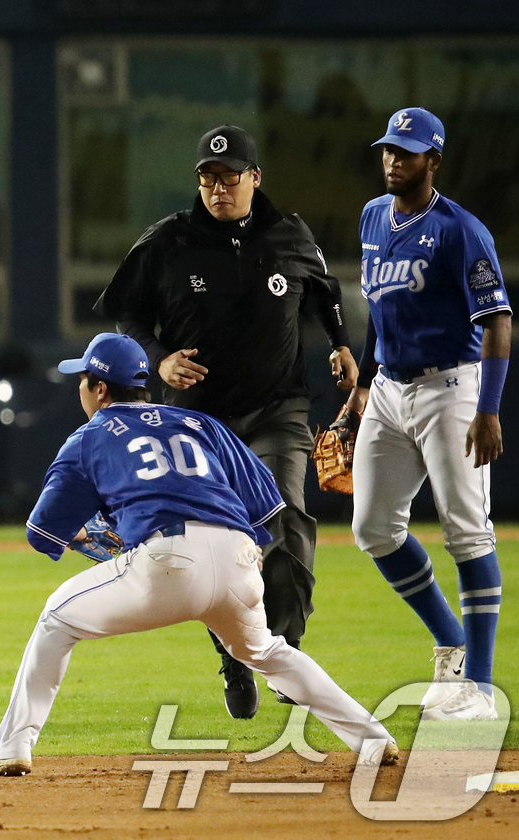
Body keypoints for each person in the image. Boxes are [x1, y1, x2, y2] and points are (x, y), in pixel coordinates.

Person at [0, 333, 397, 776]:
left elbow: (42, 532)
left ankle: (10, 747)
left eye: (84, 380)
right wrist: (249, 552)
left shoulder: (88, 438)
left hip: (166, 562)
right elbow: (268, 507)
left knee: (57, 617)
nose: (81, 389)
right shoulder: (199, 424)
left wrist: (85, 535)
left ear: (101, 389)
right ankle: (373, 739)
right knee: (267, 652)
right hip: (239, 558)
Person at [95, 125, 356, 719]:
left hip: (278, 408)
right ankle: (236, 655)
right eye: (208, 178)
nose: (219, 188)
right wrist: (157, 357)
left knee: (284, 523)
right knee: (215, 547)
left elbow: (324, 290)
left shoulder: (289, 234)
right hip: (199, 421)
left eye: (230, 176)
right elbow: (124, 313)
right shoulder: (168, 242)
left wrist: (340, 344)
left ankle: (281, 651)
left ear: (254, 178)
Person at [344, 108, 510, 721]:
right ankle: (452, 646)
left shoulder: (460, 230)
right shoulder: (371, 217)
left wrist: (488, 410)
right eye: (389, 148)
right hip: (388, 388)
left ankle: (482, 690)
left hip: (452, 388)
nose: (393, 160)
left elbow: (496, 321)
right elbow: (376, 308)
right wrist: (362, 384)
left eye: (408, 152)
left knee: (467, 532)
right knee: (372, 529)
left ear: (432, 160)